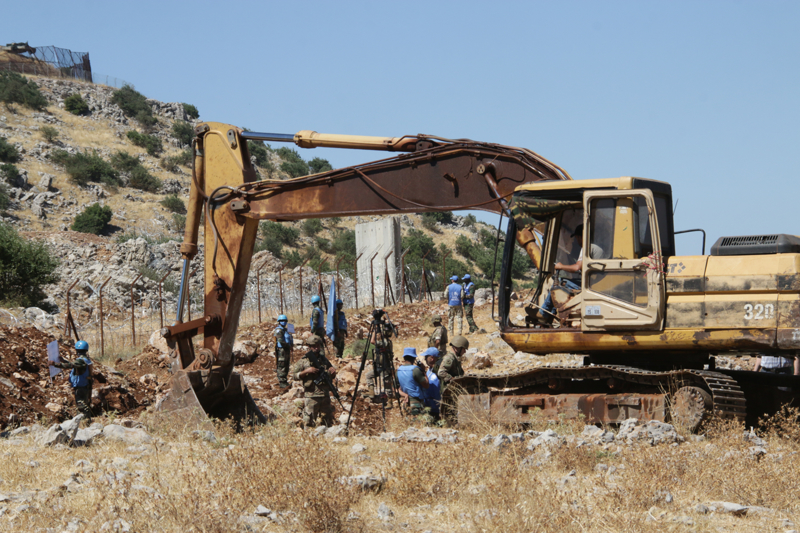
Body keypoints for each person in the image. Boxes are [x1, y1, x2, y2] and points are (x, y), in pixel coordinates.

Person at [539, 224, 603, 326]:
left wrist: (561, 266)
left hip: (588, 285)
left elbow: (576, 267)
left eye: (577, 238)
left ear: (581, 236)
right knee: (564, 282)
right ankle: (550, 314)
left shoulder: (587, 247)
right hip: (596, 282)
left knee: (559, 282)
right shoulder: (597, 248)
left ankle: (543, 314)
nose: (576, 241)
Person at [291, 335, 337, 428]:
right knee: (309, 422)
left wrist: (332, 372)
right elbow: (294, 376)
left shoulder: (324, 359)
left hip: (325, 395)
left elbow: (331, 374)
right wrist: (306, 371)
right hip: (311, 395)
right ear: (309, 346)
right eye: (313, 346)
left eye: (318, 345)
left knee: (327, 421)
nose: (316, 347)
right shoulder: (304, 360)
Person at [50, 340, 93, 422]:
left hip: (81, 388)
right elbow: (74, 365)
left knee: (81, 407)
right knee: (85, 406)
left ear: (77, 350)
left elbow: (71, 365)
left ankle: (83, 424)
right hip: (85, 386)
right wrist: (63, 361)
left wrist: (54, 364)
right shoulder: (85, 359)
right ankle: (86, 422)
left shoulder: (81, 360)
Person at [364, 323, 394, 401]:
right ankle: (371, 392)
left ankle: (390, 401)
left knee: (387, 384)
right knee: (368, 376)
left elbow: (372, 341)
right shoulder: (384, 341)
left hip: (385, 367)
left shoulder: (386, 342)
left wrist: (375, 330)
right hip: (379, 366)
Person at [396, 347, 429, 416]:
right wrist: (423, 371)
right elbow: (426, 385)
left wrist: (405, 395)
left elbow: (395, 389)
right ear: (414, 358)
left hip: (405, 401)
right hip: (416, 402)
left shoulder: (399, 370)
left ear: (404, 358)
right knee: (418, 423)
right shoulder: (416, 370)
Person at [273, 314, 293, 388]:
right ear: (279, 321)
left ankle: (285, 380)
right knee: (282, 365)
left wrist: (291, 344)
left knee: (286, 364)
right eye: (282, 321)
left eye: (285, 320)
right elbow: (281, 341)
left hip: (286, 350)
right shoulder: (278, 330)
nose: (283, 322)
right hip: (282, 350)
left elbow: (290, 337)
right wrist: (288, 346)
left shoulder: (286, 330)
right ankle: (282, 382)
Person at [421, 347, 442, 417]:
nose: (425, 359)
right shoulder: (430, 370)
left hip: (434, 407)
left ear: (431, 358)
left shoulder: (436, 373)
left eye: (426, 357)